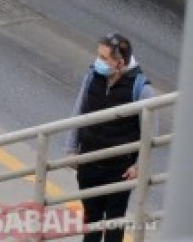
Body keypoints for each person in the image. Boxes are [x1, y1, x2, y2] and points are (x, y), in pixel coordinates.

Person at [66, 34, 156, 242]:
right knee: (91, 222)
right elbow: (79, 112)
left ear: (120, 62)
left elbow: (150, 134)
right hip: (89, 164)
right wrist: (72, 150)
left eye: (104, 58)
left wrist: (138, 166)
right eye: (98, 55)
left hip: (119, 170)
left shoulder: (141, 89)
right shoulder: (92, 76)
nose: (98, 61)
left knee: (114, 224)